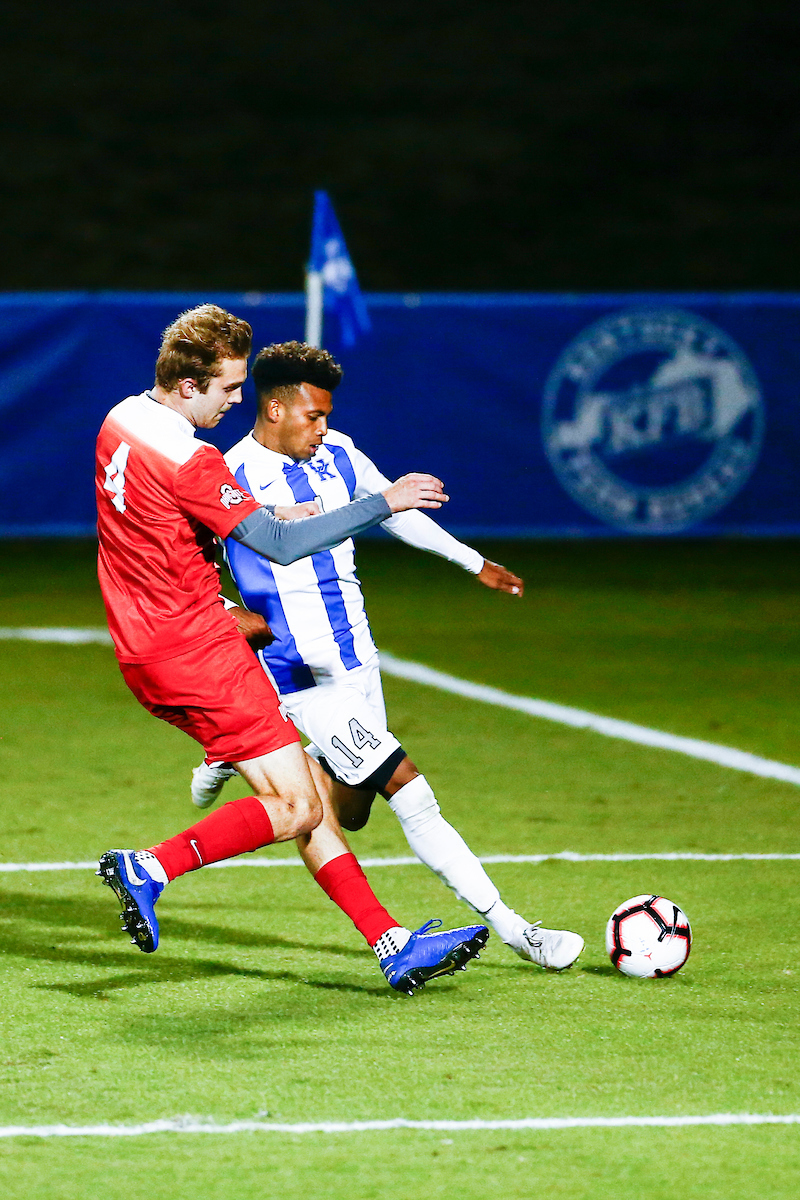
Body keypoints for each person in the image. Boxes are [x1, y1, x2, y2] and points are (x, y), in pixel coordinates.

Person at [94, 305, 488, 996]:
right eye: (228, 387)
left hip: (144, 647)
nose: (237, 399)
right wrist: (385, 502)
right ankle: (150, 867)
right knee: (302, 807)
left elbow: (178, 517)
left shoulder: (120, 420)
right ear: (188, 385)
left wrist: (269, 511)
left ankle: (391, 944)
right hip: (201, 653)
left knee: (303, 791)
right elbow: (276, 547)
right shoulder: (193, 458)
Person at [192, 340, 584, 971]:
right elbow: (188, 559)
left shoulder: (340, 454)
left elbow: (394, 513)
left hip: (357, 662)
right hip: (299, 675)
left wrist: (472, 561)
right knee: (410, 789)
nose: (323, 428)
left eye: (327, 416)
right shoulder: (229, 474)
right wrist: (222, 612)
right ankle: (518, 931)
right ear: (274, 409)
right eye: (313, 416)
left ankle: (235, 750)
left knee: (350, 810)